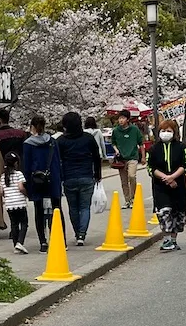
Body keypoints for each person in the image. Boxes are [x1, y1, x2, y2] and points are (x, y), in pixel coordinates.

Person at [55, 112, 103, 245]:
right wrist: (98, 174)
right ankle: (82, 234)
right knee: (85, 207)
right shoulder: (88, 138)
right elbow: (96, 157)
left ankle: (77, 233)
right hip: (86, 176)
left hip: (69, 177)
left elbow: (57, 160)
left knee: (73, 208)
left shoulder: (61, 141)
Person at [21, 114, 63, 253]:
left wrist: (28, 184)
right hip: (53, 179)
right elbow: (58, 161)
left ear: (32, 127)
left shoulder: (28, 144)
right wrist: (59, 179)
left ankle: (43, 242)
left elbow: (27, 166)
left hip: (37, 181)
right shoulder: (52, 142)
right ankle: (59, 239)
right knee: (56, 210)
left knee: (39, 212)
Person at [148, 119, 186, 252]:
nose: (165, 133)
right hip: (160, 186)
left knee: (178, 213)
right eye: (163, 131)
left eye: (168, 131)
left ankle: (173, 239)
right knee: (164, 212)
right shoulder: (154, 149)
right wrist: (166, 178)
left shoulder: (181, 147)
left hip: (179, 186)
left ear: (174, 132)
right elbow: (151, 168)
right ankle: (166, 239)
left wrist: (173, 177)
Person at [108, 108, 144, 207]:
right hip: (121, 159)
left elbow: (141, 143)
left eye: (123, 118)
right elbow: (113, 143)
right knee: (124, 181)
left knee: (132, 176)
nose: (120, 120)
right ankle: (127, 200)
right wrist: (116, 150)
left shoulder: (134, 129)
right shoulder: (116, 131)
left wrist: (143, 157)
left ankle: (133, 198)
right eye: (119, 118)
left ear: (128, 119)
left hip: (132, 157)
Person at [0, 156, 28, 254]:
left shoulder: (3, 176)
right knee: (24, 223)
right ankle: (20, 242)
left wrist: (7, 196)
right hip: (20, 202)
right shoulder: (18, 174)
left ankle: (15, 244)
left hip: (9, 204)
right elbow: (21, 187)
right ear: (16, 163)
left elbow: (1, 191)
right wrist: (26, 194)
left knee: (14, 224)